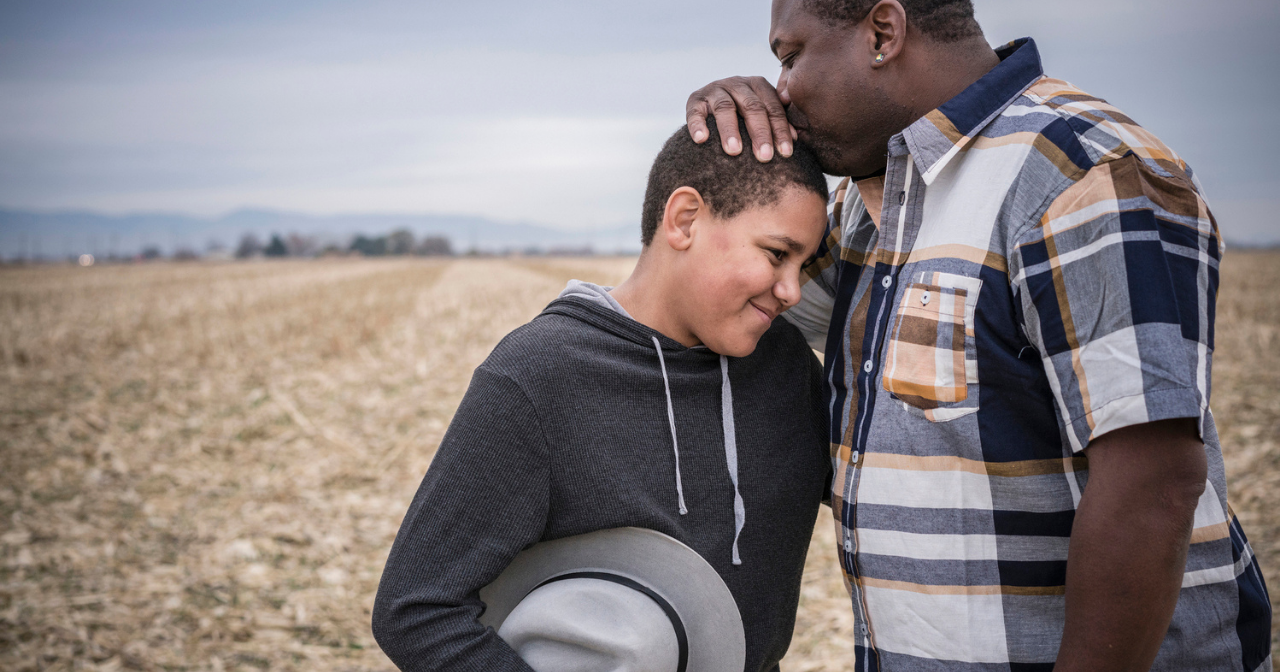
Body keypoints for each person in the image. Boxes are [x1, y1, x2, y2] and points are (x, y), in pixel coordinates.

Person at [682, 1, 1272, 670]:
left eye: (789, 57)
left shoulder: (1082, 172)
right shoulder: (869, 202)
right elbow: (724, 307)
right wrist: (725, 151)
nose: (781, 89)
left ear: (882, 32)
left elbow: (1155, 483)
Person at [371, 118, 834, 672]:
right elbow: (416, 608)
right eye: (776, 253)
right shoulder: (539, 378)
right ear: (684, 220)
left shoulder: (783, 365)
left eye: (803, 265)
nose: (791, 290)